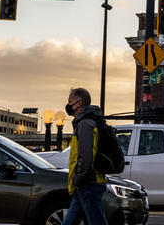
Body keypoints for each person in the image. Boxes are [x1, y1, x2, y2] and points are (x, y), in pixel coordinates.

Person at [63, 86, 109, 225]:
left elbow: (86, 155)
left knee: (97, 221)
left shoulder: (85, 124)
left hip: (88, 182)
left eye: (70, 101)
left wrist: (79, 177)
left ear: (79, 103)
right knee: (70, 221)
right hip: (85, 183)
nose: (68, 104)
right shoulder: (86, 122)